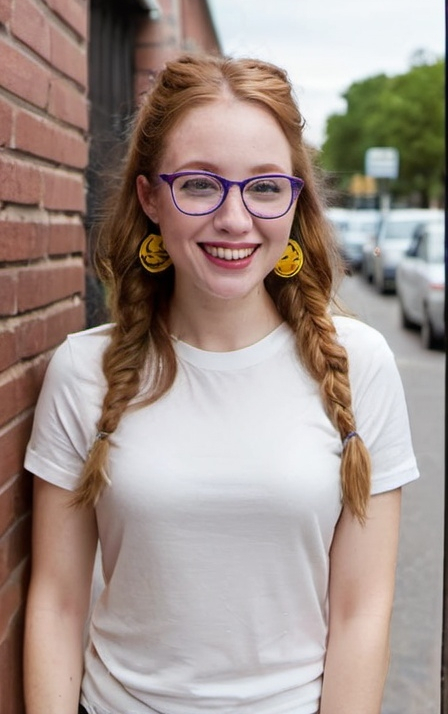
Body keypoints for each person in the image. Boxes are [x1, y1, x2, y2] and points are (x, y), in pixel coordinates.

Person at [23, 54, 419, 714]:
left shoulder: (362, 366)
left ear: (296, 200)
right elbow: (58, 606)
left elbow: (360, 613)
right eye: (201, 185)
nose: (235, 219)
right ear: (150, 197)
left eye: (265, 188)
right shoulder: (81, 373)